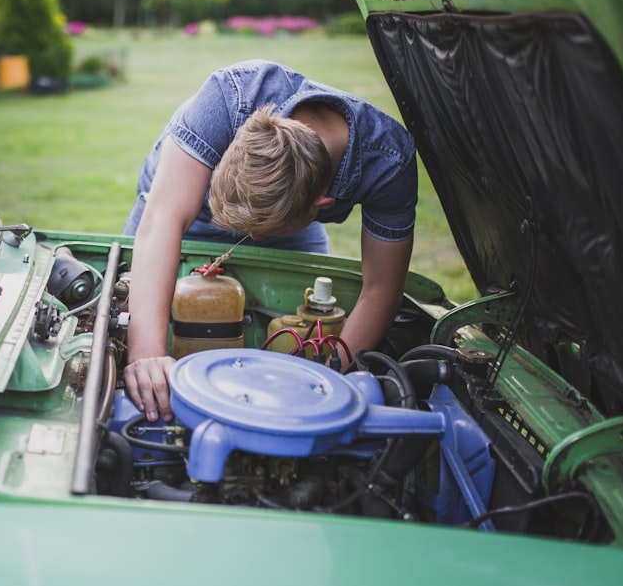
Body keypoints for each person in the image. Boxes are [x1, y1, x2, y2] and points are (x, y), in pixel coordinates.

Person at [121, 59, 417, 423]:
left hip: (286, 213)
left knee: (303, 324)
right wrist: (146, 355)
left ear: (320, 206)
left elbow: (382, 289)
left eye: (261, 233)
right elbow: (161, 221)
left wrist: (326, 383)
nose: (248, 240)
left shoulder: (389, 160)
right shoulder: (230, 96)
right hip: (185, 197)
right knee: (132, 309)